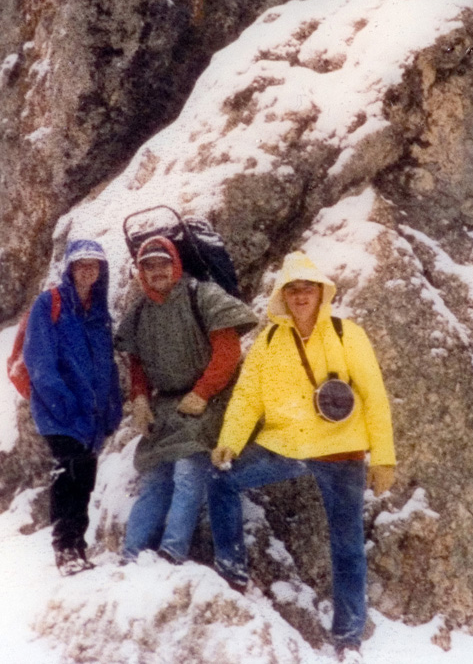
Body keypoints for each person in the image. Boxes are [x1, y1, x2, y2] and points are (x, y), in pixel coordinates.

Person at [208, 251, 396, 656]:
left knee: (347, 544)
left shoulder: (348, 334)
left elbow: (375, 396)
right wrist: (230, 442)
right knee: (222, 478)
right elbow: (246, 398)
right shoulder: (269, 341)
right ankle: (233, 572)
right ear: (283, 295)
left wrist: (384, 457)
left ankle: (348, 638)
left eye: (307, 287)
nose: (300, 295)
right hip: (286, 446)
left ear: (320, 292)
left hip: (340, 450)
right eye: (292, 289)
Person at [115, 235, 258, 563]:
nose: (156, 271)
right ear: (141, 272)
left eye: (162, 263)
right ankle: (131, 555)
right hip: (166, 407)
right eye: (148, 266)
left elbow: (228, 351)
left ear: (175, 263)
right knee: (154, 477)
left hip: (210, 400)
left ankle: (173, 551)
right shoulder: (139, 314)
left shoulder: (202, 295)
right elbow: (137, 363)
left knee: (188, 469)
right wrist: (139, 399)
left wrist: (202, 392)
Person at [22, 239, 123, 576]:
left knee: (84, 479)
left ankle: (76, 547)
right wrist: (68, 410)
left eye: (93, 264)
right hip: (61, 414)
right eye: (80, 264)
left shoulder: (98, 314)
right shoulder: (49, 304)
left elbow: (107, 366)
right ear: (68, 268)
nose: (87, 270)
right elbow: (40, 363)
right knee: (71, 474)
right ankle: (65, 549)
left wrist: (110, 411)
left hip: (90, 418)